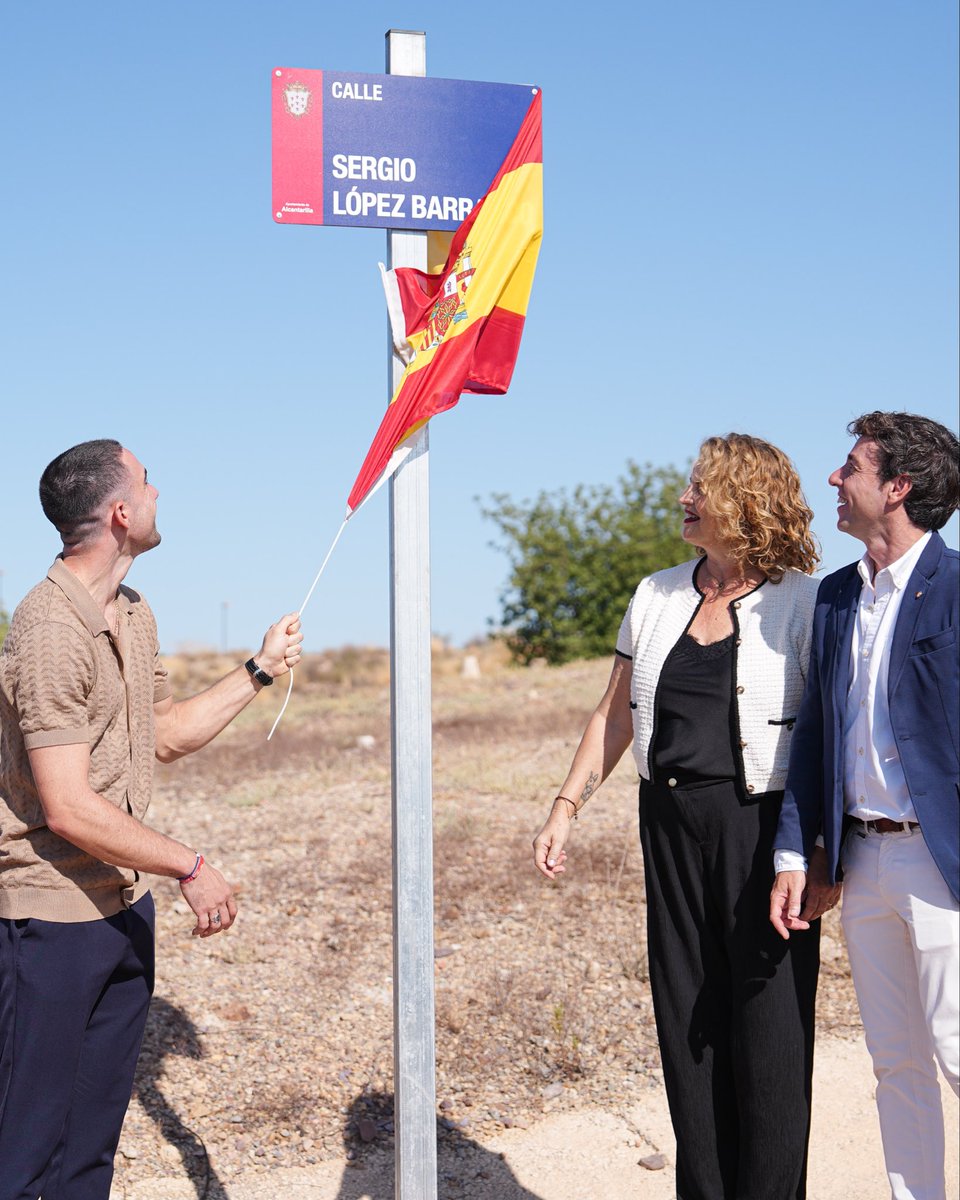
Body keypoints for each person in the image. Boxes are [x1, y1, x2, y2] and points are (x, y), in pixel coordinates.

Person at [0, 438, 303, 1199]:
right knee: (27, 1152)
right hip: (50, 923)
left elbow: (161, 735)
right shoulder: (47, 631)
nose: (160, 491)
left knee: (90, 1149)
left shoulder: (133, 614)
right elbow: (67, 806)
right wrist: (190, 865)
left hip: (123, 908)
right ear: (121, 512)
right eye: (147, 480)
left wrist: (259, 670)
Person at [534, 433, 831, 1200]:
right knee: (687, 1023)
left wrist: (823, 850)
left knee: (768, 1033)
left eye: (699, 486)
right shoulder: (656, 593)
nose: (683, 498)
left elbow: (829, 736)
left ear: (742, 496)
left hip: (763, 832)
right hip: (666, 824)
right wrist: (567, 804)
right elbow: (614, 714)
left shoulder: (804, 599)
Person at [770, 411, 959, 1200]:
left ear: (897, 487)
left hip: (944, 866)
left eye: (850, 466)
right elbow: (816, 729)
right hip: (865, 863)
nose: (834, 480)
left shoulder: (956, 590)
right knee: (897, 1066)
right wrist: (796, 852)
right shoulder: (837, 596)